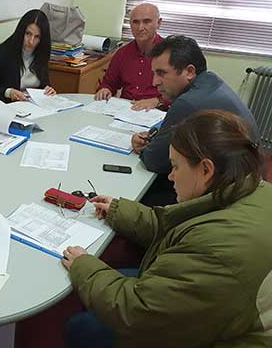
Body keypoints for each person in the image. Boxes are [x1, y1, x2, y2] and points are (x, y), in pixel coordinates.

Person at [61, 110, 272, 348]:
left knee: (82, 328)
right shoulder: (253, 189)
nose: (170, 176)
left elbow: (138, 312)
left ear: (206, 169)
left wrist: (84, 265)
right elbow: (178, 225)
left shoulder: (218, 249)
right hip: (227, 311)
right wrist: (118, 210)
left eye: (175, 166)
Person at [131, 35, 257, 206]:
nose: (154, 82)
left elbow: (154, 161)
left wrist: (146, 148)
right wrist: (155, 139)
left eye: (161, 73)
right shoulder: (210, 81)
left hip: (225, 194)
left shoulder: (188, 103)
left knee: (140, 194)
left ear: (189, 72)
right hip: (245, 179)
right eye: (154, 73)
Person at [94, 3, 168, 110]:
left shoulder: (170, 53)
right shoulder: (122, 53)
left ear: (159, 23)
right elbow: (109, 84)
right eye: (135, 22)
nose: (140, 28)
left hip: (156, 110)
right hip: (126, 109)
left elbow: (182, 92)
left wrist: (158, 101)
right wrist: (105, 90)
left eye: (147, 21)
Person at [0, 9, 56, 102]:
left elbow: (43, 84)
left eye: (37, 37)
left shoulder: (42, 52)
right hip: (10, 105)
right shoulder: (1, 53)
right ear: (21, 31)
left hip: (33, 104)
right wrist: (8, 92)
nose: (31, 41)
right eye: (28, 34)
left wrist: (48, 89)